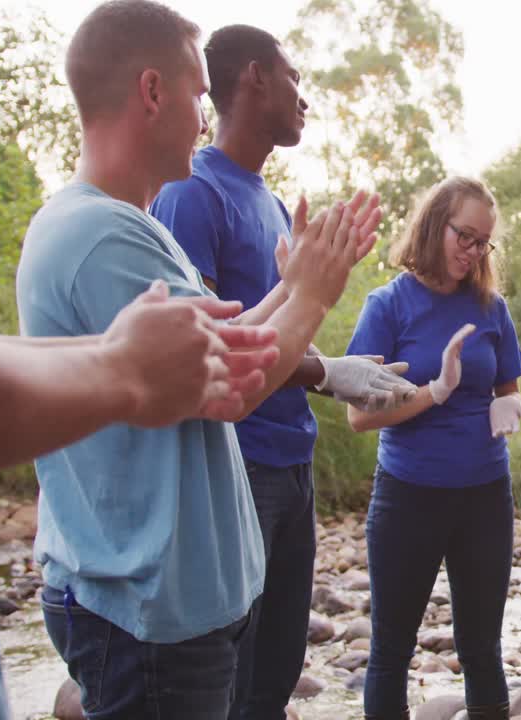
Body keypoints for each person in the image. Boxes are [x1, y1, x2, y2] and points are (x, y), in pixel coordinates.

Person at [13, 1, 382, 717]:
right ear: (152, 93)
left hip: (166, 606)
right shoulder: (100, 236)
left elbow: (222, 337)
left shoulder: (125, 223)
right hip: (145, 612)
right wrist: (311, 297)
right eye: (194, 94)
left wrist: (294, 286)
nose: (204, 117)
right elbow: (225, 386)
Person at [148, 24, 411, 720]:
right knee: (227, 677)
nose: (306, 99)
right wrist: (329, 371)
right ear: (255, 77)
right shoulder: (191, 195)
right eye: (296, 77)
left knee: (276, 675)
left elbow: (277, 322)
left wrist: (317, 325)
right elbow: (202, 345)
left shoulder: (266, 200)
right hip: (237, 466)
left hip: (292, 466)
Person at [0, 282, 278, 720]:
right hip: (136, 610)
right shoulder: (91, 229)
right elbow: (231, 383)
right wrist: (120, 368)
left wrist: (116, 356)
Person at [345, 176, 521, 720]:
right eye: (464, 236)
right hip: (409, 497)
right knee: (391, 650)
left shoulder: (490, 308)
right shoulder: (388, 306)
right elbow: (358, 415)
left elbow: (507, 387)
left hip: (485, 497)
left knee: (482, 649)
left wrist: (506, 409)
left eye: (483, 242)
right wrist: (435, 392)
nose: (472, 252)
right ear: (434, 225)